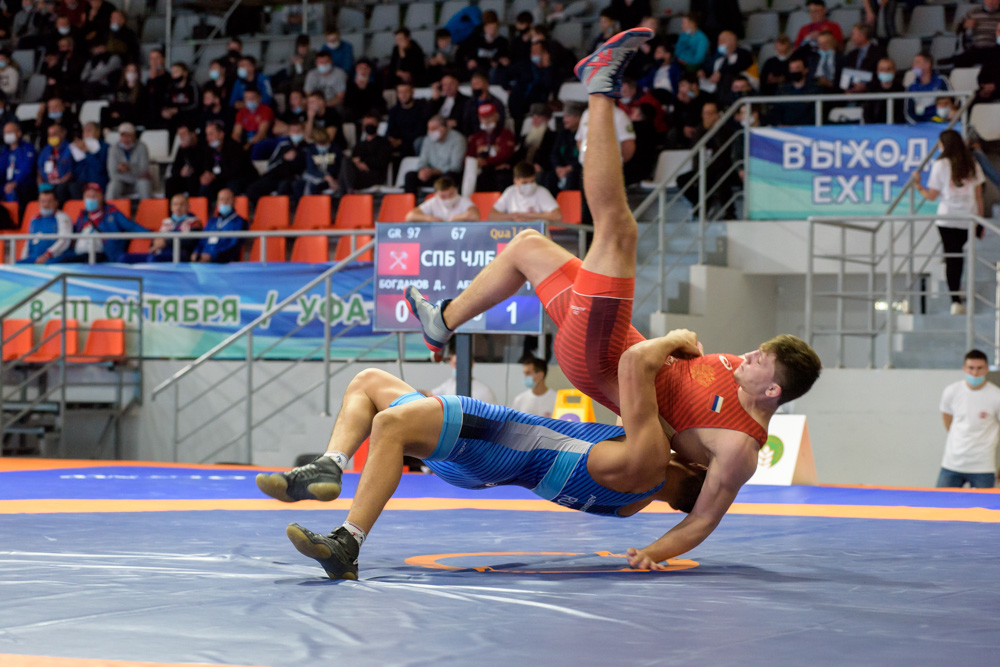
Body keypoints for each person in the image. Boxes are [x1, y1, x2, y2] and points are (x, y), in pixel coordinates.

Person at [405, 28, 822, 568]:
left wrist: (654, 552)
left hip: (605, 356)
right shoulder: (742, 375)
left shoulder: (739, 449)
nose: (749, 355)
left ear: (772, 389)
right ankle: (443, 319)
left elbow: (703, 517)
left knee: (619, 231)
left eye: (760, 359)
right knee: (527, 246)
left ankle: (600, 87)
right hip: (613, 343)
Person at [256, 364, 707, 579]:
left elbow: (637, 365)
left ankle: (347, 539)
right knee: (369, 383)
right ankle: (329, 466)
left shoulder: (649, 458)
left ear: (690, 464)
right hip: (485, 466)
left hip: (500, 436)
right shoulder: (629, 505)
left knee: (388, 422)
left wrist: (678, 344)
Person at [911, 130, 985, 316]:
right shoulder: (972, 163)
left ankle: (955, 300)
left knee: (953, 258)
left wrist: (918, 186)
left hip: (947, 218)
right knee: (957, 257)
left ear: (943, 145)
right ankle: (957, 294)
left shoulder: (941, 164)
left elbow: (931, 196)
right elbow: (979, 197)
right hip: (968, 217)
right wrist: (980, 222)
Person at [937, 349, 1000, 489]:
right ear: (964, 368)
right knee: (941, 501)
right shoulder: (951, 391)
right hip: (952, 463)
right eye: (971, 368)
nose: (975, 373)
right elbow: (948, 420)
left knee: (985, 503)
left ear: (987, 369)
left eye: (979, 368)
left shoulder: (996, 396)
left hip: (983, 465)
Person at [52, 182, 147, 263]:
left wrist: (152, 236)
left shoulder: (112, 213)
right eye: (87, 197)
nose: (90, 199)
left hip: (103, 255)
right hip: (80, 254)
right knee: (59, 262)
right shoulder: (83, 216)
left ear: (101, 197)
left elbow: (132, 227)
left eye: (93, 196)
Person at [120, 193, 203, 263]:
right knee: (124, 258)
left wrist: (165, 243)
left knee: (153, 259)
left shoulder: (194, 222)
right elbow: (156, 240)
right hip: (160, 253)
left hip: (180, 255)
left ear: (188, 206)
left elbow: (190, 241)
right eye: (175, 204)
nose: (178, 207)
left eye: (182, 204)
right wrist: (154, 244)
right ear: (171, 207)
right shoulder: (167, 222)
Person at [405, 114, 466, 195]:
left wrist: (435, 171)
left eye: (433, 129)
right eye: (428, 129)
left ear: (443, 128)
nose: (430, 132)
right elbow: (423, 160)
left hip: (447, 175)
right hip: (431, 174)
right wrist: (422, 170)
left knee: (450, 176)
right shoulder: (428, 139)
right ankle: (411, 202)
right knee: (410, 176)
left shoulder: (458, 139)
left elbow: (456, 166)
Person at [488, 161, 561, 222]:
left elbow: (557, 216)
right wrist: (514, 216)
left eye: (532, 181)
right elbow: (492, 216)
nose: (529, 185)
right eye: (524, 183)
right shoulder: (510, 191)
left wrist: (528, 216)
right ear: (515, 181)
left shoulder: (541, 191)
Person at [467, 102, 517, 192]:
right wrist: (479, 162)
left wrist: (486, 161)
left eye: (489, 116)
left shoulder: (506, 134)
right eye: (483, 117)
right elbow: (470, 156)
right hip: (480, 171)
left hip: (499, 172)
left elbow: (505, 154)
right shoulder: (476, 137)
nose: (486, 120)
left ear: (497, 117)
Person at [17, 185, 72, 264]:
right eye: (43, 201)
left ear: (56, 202)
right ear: (39, 203)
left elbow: (64, 241)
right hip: (34, 258)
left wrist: (47, 255)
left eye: (49, 201)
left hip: (53, 258)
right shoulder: (34, 219)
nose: (46, 205)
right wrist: (24, 258)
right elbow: (28, 242)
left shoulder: (62, 217)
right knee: (18, 265)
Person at [341, 113, 391, 193]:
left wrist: (363, 162)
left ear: (377, 125)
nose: (369, 126)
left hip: (374, 175)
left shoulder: (384, 142)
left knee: (347, 174)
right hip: (357, 174)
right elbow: (353, 159)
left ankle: (348, 193)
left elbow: (382, 161)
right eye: (367, 124)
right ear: (363, 127)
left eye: (371, 124)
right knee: (345, 163)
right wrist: (358, 164)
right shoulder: (360, 144)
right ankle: (348, 191)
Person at [193, 189, 246, 263]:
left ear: (234, 201)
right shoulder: (212, 221)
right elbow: (202, 240)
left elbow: (234, 246)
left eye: (228, 199)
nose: (224, 202)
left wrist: (213, 256)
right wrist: (196, 252)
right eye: (221, 199)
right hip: (203, 261)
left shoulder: (241, 222)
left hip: (224, 263)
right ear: (217, 202)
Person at [106, 123, 152, 200]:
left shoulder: (142, 147)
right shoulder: (113, 149)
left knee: (144, 184)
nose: (125, 139)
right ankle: (110, 207)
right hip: (121, 181)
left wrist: (129, 168)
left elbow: (144, 169)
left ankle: (148, 207)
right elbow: (112, 172)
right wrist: (123, 170)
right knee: (112, 186)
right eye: (123, 136)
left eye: (128, 136)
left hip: (138, 181)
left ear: (134, 136)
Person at [428, 354, 497, 404]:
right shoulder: (450, 383)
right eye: (456, 364)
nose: (459, 367)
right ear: (450, 364)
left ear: (471, 364)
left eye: (462, 363)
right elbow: (430, 394)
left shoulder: (483, 392)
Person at [404, 176, 478, 222]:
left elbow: (474, 216)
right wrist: (429, 218)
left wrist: (455, 218)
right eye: (443, 196)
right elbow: (410, 216)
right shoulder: (434, 202)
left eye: (451, 194)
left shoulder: (463, 200)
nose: (448, 198)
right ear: (436, 194)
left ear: (456, 190)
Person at [905, 52, 950, 124]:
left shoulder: (941, 81)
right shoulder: (911, 87)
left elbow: (951, 103)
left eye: (917, 62)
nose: (913, 65)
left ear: (927, 64)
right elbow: (908, 112)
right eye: (914, 63)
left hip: (940, 123)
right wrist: (918, 126)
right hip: (919, 126)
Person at [0, 121, 36, 208]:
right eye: (5, 133)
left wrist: (15, 183)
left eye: (10, 132)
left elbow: (26, 169)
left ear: (19, 133)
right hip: (5, 184)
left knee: (17, 191)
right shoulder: (4, 151)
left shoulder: (27, 148)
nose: (7, 135)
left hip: (23, 185)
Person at [69, 122, 108, 199]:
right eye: (84, 131)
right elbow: (76, 170)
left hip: (98, 181)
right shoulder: (78, 147)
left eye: (89, 130)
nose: (86, 134)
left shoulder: (105, 147)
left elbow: (99, 168)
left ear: (98, 132)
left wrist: (86, 152)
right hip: (82, 181)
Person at [36, 124, 74, 204]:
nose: (52, 137)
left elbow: (71, 172)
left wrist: (59, 182)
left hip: (62, 183)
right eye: (50, 134)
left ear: (63, 133)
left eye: (54, 134)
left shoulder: (71, 148)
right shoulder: (46, 150)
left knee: (60, 190)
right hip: (47, 183)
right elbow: (39, 169)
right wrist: (41, 184)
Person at [165, 125, 203, 198]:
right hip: (185, 178)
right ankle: (171, 205)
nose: (182, 137)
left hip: (198, 176)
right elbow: (174, 169)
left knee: (193, 180)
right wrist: (181, 172)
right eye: (180, 134)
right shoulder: (182, 147)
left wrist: (191, 169)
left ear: (193, 134)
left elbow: (201, 165)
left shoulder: (202, 145)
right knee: (170, 182)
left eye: (184, 134)